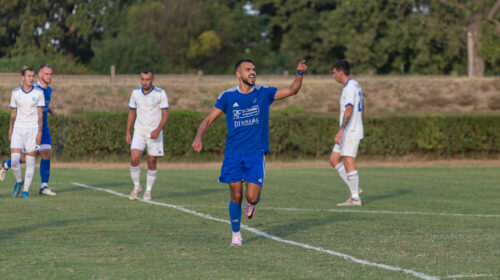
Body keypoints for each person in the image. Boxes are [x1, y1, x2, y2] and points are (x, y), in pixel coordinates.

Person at [191, 59, 308, 246]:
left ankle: (251, 203)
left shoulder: (263, 93)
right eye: (247, 70)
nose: (252, 72)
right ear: (238, 74)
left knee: (251, 196)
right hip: (233, 154)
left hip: (255, 153)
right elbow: (208, 120)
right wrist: (198, 137)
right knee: (235, 195)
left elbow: (292, 90)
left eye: (254, 69)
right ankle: (236, 234)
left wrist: (299, 73)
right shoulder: (227, 96)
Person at [0, 64, 57, 196]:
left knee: (46, 153)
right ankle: (6, 165)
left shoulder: (48, 90)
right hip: (30, 128)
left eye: (51, 74)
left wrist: (50, 110)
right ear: (40, 75)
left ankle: (43, 187)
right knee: (25, 158)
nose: (49, 76)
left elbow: (42, 107)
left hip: (43, 127)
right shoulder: (34, 88)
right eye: (47, 74)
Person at [125, 68, 169, 201]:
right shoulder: (135, 92)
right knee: (134, 158)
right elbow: (132, 112)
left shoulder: (160, 93)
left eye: (147, 79)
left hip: (154, 133)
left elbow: (165, 114)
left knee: (152, 162)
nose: (145, 82)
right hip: (139, 131)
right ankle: (137, 186)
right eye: (143, 79)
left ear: (152, 80)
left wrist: (158, 129)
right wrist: (128, 131)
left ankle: (148, 191)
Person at [329, 59, 364, 206]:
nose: (333, 76)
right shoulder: (355, 85)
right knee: (334, 159)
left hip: (350, 131)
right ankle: (355, 188)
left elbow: (349, 109)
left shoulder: (350, 88)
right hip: (351, 129)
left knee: (349, 161)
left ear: (341, 72)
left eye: (334, 73)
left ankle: (355, 198)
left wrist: (342, 130)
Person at [8, 68, 45, 198]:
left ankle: (26, 190)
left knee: (30, 160)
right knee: (14, 159)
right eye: (29, 76)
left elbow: (40, 115)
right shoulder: (15, 93)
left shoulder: (39, 93)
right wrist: (10, 129)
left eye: (33, 76)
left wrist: (39, 132)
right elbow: (13, 114)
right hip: (18, 128)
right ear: (22, 78)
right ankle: (19, 181)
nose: (32, 78)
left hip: (33, 130)